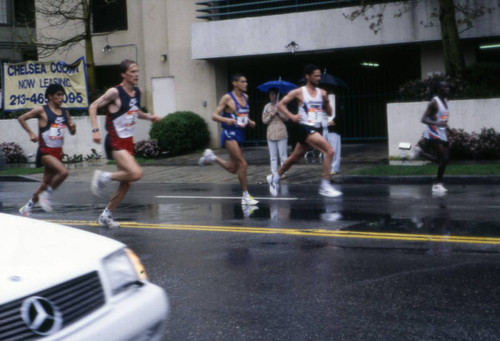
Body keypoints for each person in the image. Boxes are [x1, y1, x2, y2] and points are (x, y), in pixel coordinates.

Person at [89, 59, 161, 228]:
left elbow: (134, 112)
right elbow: (93, 106)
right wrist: (95, 130)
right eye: (132, 72)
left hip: (128, 142)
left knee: (126, 183)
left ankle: (105, 216)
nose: (136, 75)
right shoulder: (114, 92)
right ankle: (103, 176)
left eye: (137, 71)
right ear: (123, 75)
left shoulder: (137, 92)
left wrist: (150, 117)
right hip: (115, 141)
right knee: (136, 174)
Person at [267, 64, 342, 197]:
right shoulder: (299, 92)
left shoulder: (321, 93)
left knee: (295, 157)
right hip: (304, 128)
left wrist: (326, 102)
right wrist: (292, 116)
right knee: (330, 151)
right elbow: (280, 104)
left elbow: (329, 112)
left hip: (316, 128)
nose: (318, 78)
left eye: (319, 75)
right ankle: (325, 185)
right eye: (316, 75)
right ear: (307, 76)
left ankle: (275, 177)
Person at [198, 73, 259, 206]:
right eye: (243, 82)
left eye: (246, 82)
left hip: (240, 133)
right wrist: (226, 119)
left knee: (232, 168)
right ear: (235, 83)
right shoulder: (227, 98)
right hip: (229, 133)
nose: (246, 84)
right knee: (243, 163)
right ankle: (245, 196)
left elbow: (241, 114)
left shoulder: (246, 97)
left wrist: (249, 121)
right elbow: (214, 116)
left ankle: (212, 157)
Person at [18, 84, 76, 216]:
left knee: (45, 183)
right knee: (63, 172)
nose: (61, 98)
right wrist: (31, 133)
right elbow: (21, 118)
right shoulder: (41, 110)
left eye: (62, 95)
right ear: (50, 96)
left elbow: (72, 132)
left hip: (57, 152)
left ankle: (27, 207)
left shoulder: (64, 112)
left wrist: (73, 128)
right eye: (58, 95)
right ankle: (46, 196)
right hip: (46, 152)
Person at [417, 80, 451, 194]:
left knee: (444, 160)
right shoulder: (434, 102)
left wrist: (448, 128)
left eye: (447, 86)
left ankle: (421, 153)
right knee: (444, 159)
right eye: (444, 87)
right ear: (438, 90)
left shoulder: (446, 101)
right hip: (433, 133)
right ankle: (437, 184)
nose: (447, 88)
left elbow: (442, 118)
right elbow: (423, 119)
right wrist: (437, 124)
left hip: (442, 132)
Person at [262, 88, 288, 179]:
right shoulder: (267, 107)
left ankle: (283, 172)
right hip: (271, 132)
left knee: (283, 155)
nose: (272, 96)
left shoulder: (282, 105)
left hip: (281, 131)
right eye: (270, 94)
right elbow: (264, 120)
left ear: (277, 95)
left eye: (274, 94)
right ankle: (274, 172)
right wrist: (270, 116)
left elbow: (287, 118)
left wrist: (279, 113)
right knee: (273, 156)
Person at [321, 93, 344, 176]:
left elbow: (341, 113)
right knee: (324, 149)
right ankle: (327, 168)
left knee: (334, 149)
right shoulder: (320, 100)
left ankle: (335, 168)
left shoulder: (336, 100)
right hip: (323, 128)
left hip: (333, 129)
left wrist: (335, 121)